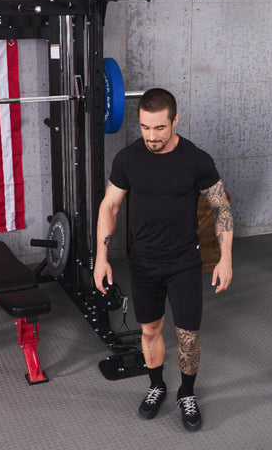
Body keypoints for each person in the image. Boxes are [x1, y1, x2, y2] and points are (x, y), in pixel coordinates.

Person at [93, 88, 233, 431]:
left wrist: (225, 258)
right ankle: (156, 385)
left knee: (187, 336)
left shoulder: (195, 159)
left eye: (159, 128)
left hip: (184, 262)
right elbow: (110, 206)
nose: (152, 137)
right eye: (145, 128)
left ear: (175, 120)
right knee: (150, 329)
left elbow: (221, 207)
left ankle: (187, 393)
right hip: (143, 263)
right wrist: (102, 257)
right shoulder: (128, 159)